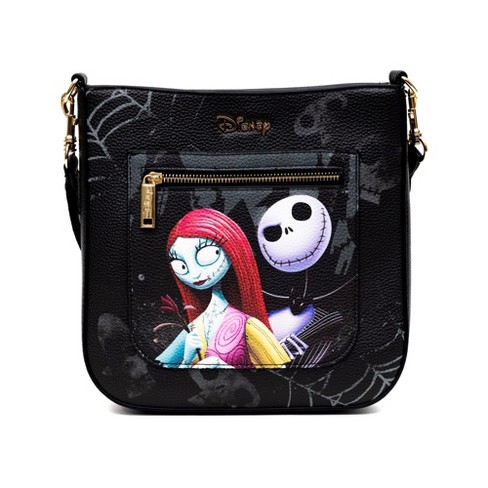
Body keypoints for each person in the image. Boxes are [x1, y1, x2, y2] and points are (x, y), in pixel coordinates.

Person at [155, 208, 290, 369]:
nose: (195, 273)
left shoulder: (247, 325)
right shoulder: (195, 328)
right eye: (181, 266)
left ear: (233, 249)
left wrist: (227, 369)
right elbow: (157, 372)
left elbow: (281, 376)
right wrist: (186, 361)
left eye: (205, 255)